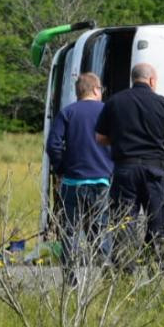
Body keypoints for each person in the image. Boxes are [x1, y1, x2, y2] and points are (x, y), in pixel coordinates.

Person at [94, 63, 164, 261]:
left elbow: (100, 138)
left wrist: (120, 139)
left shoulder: (114, 102)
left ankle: (125, 274)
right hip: (154, 171)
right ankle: (157, 268)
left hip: (125, 170)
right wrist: (158, 140)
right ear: (152, 80)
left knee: (124, 222)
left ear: (133, 79)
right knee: (157, 223)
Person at [46, 72, 114, 273]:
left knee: (70, 232)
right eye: (100, 88)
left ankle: (70, 279)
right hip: (102, 180)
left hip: (73, 182)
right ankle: (106, 274)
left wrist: (61, 169)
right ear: (95, 89)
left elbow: (53, 145)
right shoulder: (108, 112)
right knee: (101, 231)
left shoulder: (67, 113)